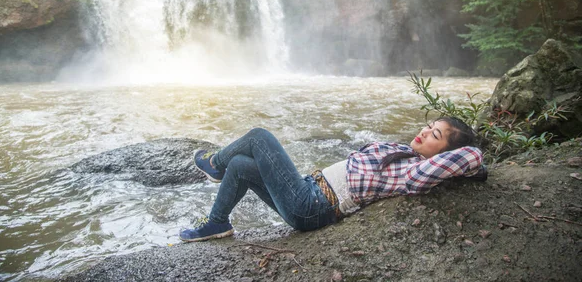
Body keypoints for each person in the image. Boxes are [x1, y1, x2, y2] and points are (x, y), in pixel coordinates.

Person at [179, 117, 485, 242]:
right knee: (243, 164)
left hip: (312, 206)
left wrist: (469, 154)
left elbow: (471, 155)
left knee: (259, 137)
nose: (424, 131)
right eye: (429, 125)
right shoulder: (404, 152)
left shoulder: (414, 174)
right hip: (307, 191)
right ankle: (218, 222)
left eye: (435, 135)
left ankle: (214, 164)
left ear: (444, 157)